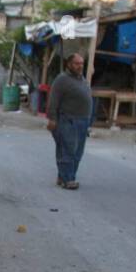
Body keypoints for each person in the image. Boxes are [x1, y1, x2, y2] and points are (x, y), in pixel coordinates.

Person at [46, 52, 92, 190]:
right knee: (67, 150)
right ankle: (68, 179)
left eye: (82, 63)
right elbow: (53, 100)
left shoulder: (82, 80)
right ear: (69, 64)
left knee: (78, 152)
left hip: (83, 121)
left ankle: (63, 176)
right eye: (77, 63)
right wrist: (52, 119)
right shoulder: (62, 80)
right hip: (68, 120)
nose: (80, 66)